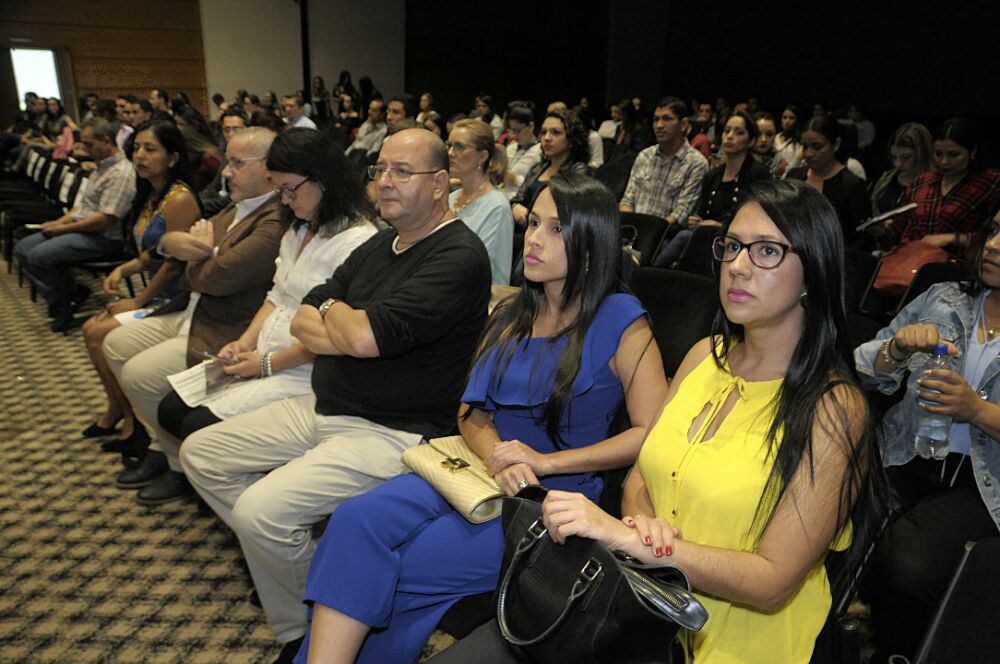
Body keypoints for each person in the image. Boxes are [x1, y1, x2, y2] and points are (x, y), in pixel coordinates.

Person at [434, 178, 884, 664]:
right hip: (634, 603)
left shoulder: (834, 407)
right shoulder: (702, 357)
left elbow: (773, 581)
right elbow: (643, 474)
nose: (736, 266)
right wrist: (645, 525)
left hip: (736, 642)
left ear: (813, 272)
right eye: (732, 246)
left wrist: (636, 541)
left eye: (767, 252)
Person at [294, 173, 668, 664]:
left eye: (556, 229)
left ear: (591, 243)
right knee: (353, 522)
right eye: (534, 222)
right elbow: (470, 412)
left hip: (548, 500)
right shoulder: (514, 311)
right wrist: (496, 453)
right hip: (475, 467)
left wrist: (546, 463)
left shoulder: (621, 318)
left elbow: (652, 435)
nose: (533, 237)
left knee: (404, 567)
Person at [178, 128, 492, 661]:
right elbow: (306, 314)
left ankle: (304, 629)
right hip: (326, 404)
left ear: (441, 184)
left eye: (402, 172)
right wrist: (342, 324)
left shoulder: (458, 254)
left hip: (393, 430)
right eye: (380, 170)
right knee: (201, 454)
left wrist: (341, 324)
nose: (385, 183)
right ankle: (319, 584)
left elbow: (362, 336)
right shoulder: (380, 241)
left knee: (260, 514)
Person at [155, 128, 379, 461]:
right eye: (279, 189)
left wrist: (265, 363)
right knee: (171, 410)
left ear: (323, 179)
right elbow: (277, 296)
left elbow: (335, 338)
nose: (284, 200)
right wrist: (244, 343)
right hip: (263, 353)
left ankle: (223, 479)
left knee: (196, 426)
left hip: (305, 369)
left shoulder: (357, 241)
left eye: (289, 189)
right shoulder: (298, 228)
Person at [102, 127, 288, 500]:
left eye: (237, 163)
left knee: (139, 374)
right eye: (227, 160)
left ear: (269, 169)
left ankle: (176, 463)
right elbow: (171, 245)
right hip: (191, 309)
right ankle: (163, 446)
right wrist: (188, 247)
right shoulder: (238, 205)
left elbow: (214, 278)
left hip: (226, 327)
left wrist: (197, 254)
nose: (225, 172)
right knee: (115, 343)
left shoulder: (275, 219)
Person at [854, 205, 1000, 663]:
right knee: (831, 525)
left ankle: (894, 652)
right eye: (993, 230)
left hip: (981, 483)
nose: (994, 245)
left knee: (907, 569)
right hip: (904, 452)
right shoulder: (945, 296)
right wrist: (895, 351)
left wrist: (975, 410)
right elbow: (865, 368)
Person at [80, 121, 201, 445]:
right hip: (158, 295)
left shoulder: (179, 199)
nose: (141, 156)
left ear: (173, 158)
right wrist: (125, 269)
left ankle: (131, 421)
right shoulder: (152, 193)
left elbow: (176, 264)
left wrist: (139, 300)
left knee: (98, 333)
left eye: (151, 149)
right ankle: (120, 410)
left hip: (176, 300)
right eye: (136, 148)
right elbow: (155, 250)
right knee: (91, 329)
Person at [15, 118, 137, 332]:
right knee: (23, 248)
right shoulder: (101, 168)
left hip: (105, 238)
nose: (83, 149)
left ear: (106, 141)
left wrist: (62, 229)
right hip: (84, 229)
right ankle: (71, 293)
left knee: (38, 256)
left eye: (89, 144)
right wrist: (58, 222)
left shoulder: (121, 173)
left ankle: (64, 302)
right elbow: (82, 206)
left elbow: (105, 219)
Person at [653, 111, 771, 268]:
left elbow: (758, 219)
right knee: (688, 235)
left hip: (738, 242)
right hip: (704, 238)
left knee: (684, 237)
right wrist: (695, 221)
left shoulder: (758, 174)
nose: (729, 136)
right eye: (727, 130)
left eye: (739, 132)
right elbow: (703, 213)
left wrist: (719, 225)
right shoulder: (713, 175)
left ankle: (651, 269)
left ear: (750, 141)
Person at [889, 117, 1000, 251]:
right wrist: (884, 229)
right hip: (909, 260)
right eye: (938, 154)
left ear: (973, 151)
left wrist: (952, 238)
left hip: (956, 265)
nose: (944, 162)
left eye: (953, 155)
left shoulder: (990, 183)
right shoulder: (923, 181)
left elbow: (994, 236)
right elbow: (900, 226)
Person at [619, 96, 709, 229]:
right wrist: (632, 226)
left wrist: (649, 232)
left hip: (665, 236)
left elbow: (681, 214)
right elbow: (627, 200)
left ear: (683, 125)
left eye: (667, 119)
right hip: (633, 230)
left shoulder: (696, 163)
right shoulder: (645, 156)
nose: (659, 125)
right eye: (656, 120)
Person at [447, 119, 514, 284]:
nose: (450, 153)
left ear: (482, 156)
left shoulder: (497, 206)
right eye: (449, 145)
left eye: (460, 147)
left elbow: (486, 270)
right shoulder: (450, 198)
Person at [786, 114, 869, 245]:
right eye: (804, 146)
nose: (809, 153)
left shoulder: (852, 185)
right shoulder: (794, 177)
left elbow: (859, 238)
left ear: (836, 144)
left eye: (817, 147)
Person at [510, 109, 590, 225]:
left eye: (555, 132)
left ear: (572, 139)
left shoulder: (579, 171)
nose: (547, 138)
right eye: (543, 132)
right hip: (525, 230)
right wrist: (515, 206)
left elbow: (571, 216)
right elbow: (518, 199)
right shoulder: (537, 168)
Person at [869, 122, 933, 216]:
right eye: (894, 157)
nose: (897, 165)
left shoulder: (935, 186)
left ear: (922, 155)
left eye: (906, 157)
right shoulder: (886, 179)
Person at [175, 105, 223, 191]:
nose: (176, 128)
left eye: (181, 124)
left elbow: (222, 187)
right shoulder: (181, 150)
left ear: (194, 126)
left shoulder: (210, 156)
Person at [501, 106, 543, 200]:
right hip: (502, 196)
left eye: (518, 130)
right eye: (512, 130)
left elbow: (539, 187)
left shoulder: (540, 151)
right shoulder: (511, 148)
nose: (514, 136)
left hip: (521, 201)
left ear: (531, 126)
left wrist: (516, 179)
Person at [773, 105, 802, 177]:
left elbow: (797, 164)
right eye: (784, 117)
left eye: (791, 118)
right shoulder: (776, 137)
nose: (787, 121)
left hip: (790, 177)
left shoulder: (800, 141)